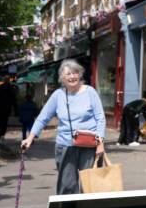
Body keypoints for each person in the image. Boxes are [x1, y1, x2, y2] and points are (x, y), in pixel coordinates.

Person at [21, 59, 106, 195]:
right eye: (68, 74)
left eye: (75, 73)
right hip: (65, 144)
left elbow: (100, 119)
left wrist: (100, 144)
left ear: (80, 74)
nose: (72, 77)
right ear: (62, 78)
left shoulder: (90, 92)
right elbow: (43, 117)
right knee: (67, 186)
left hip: (89, 145)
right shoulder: (58, 95)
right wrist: (30, 138)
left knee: (89, 185)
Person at [0, 77, 17, 142]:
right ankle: (2, 134)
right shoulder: (11, 89)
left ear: (3, 81)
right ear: (8, 81)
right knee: (4, 122)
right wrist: (15, 110)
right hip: (6, 109)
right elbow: (14, 100)